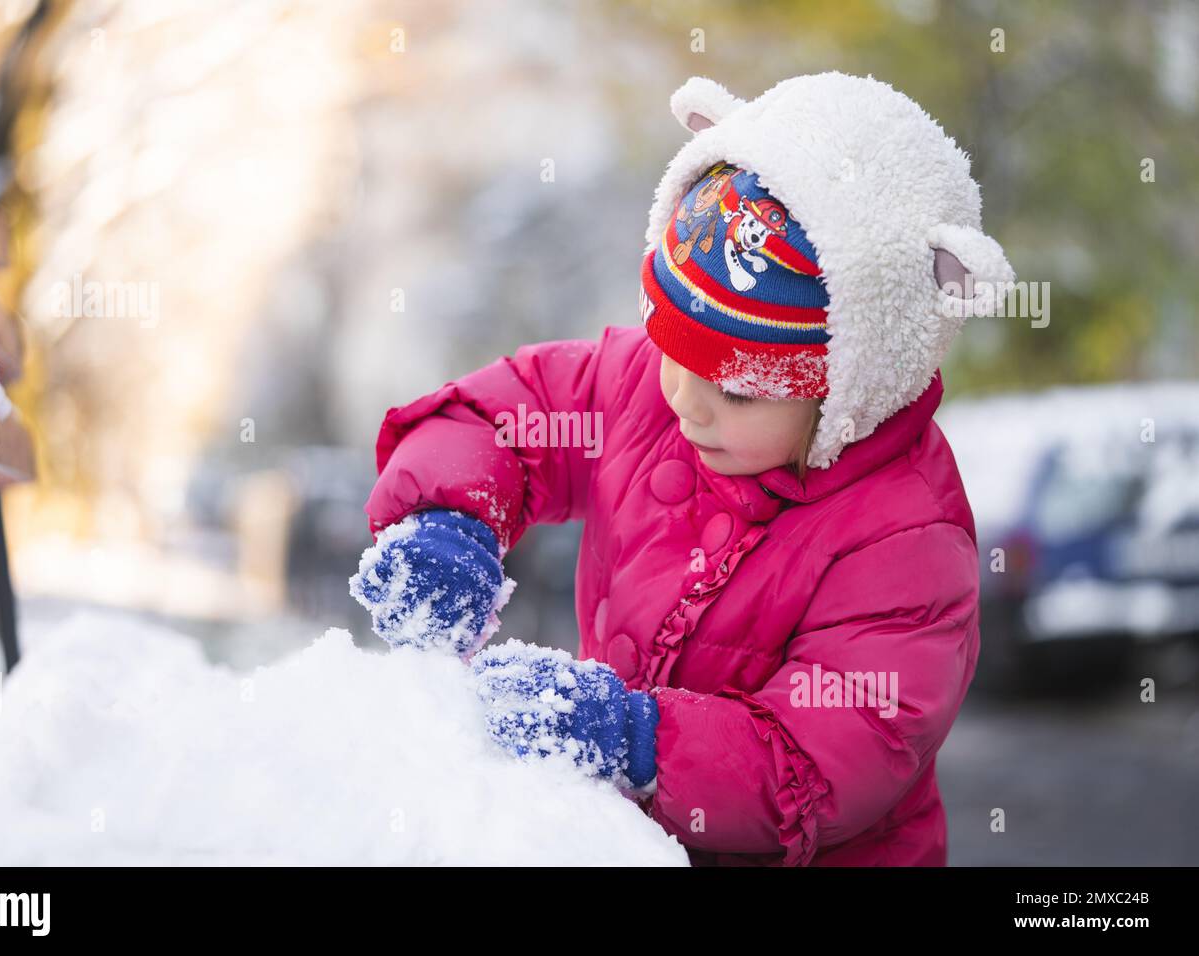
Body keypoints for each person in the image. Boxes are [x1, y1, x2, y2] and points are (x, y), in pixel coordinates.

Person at [350, 72, 1014, 866]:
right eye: (671, 348)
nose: (685, 403)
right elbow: (501, 419)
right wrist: (447, 519)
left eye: (735, 389)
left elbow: (810, 766)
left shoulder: (906, 541)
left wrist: (635, 738)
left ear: (849, 388)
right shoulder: (640, 392)